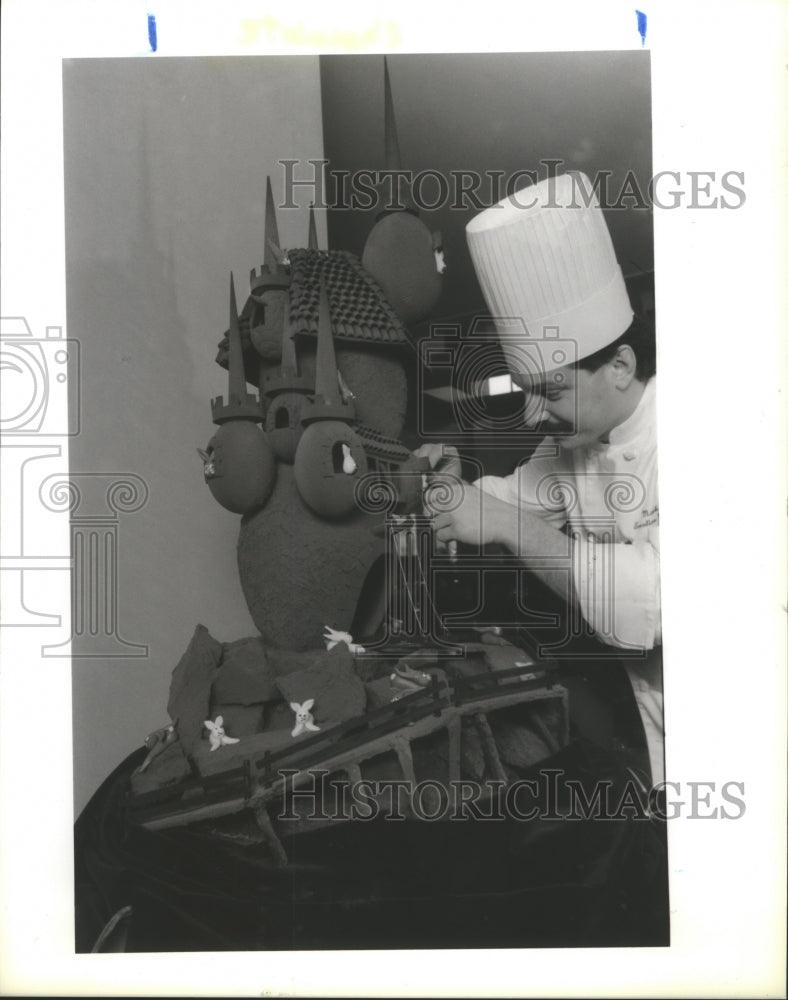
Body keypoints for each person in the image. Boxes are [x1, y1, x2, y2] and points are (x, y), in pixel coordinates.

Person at [416, 171, 664, 785]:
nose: (536, 414)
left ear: (620, 365)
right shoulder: (574, 441)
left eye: (551, 391)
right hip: (658, 717)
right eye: (529, 392)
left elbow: (652, 604)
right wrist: (449, 487)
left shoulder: (704, 435)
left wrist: (503, 524)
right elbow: (507, 497)